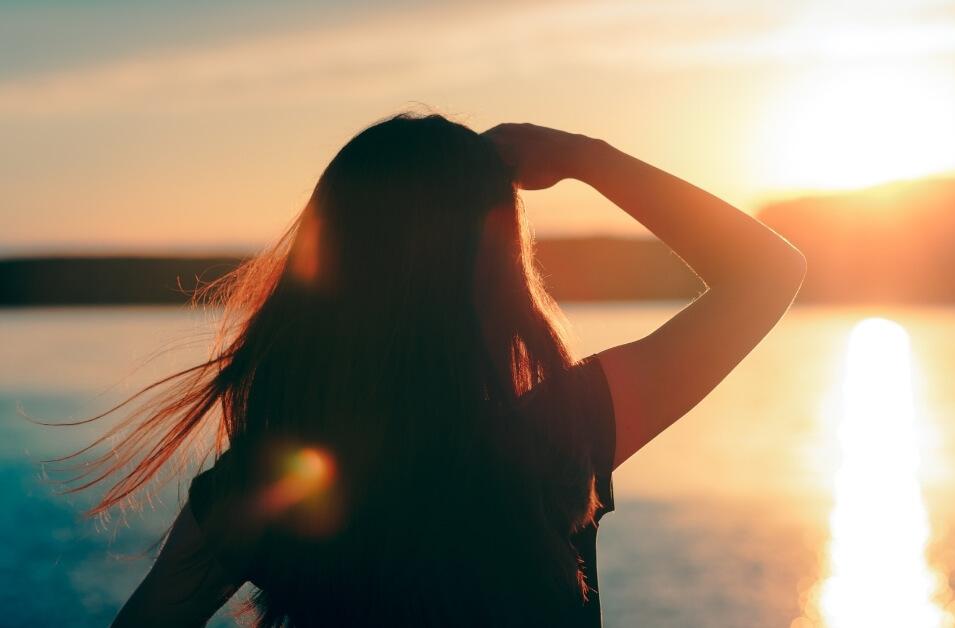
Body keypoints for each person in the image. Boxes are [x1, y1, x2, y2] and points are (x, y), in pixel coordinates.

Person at [80, 113, 804, 627]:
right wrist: (584, 155)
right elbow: (767, 271)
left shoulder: (262, 490)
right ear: (495, 279)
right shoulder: (554, 437)